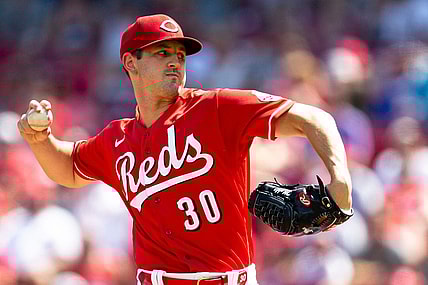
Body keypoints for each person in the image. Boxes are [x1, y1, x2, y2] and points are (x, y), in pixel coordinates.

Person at [17, 14, 352, 285]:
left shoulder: (218, 108)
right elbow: (69, 169)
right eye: (162, 53)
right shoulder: (117, 139)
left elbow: (314, 118)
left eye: (179, 54)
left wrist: (340, 179)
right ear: (130, 63)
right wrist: (39, 139)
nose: (175, 62)